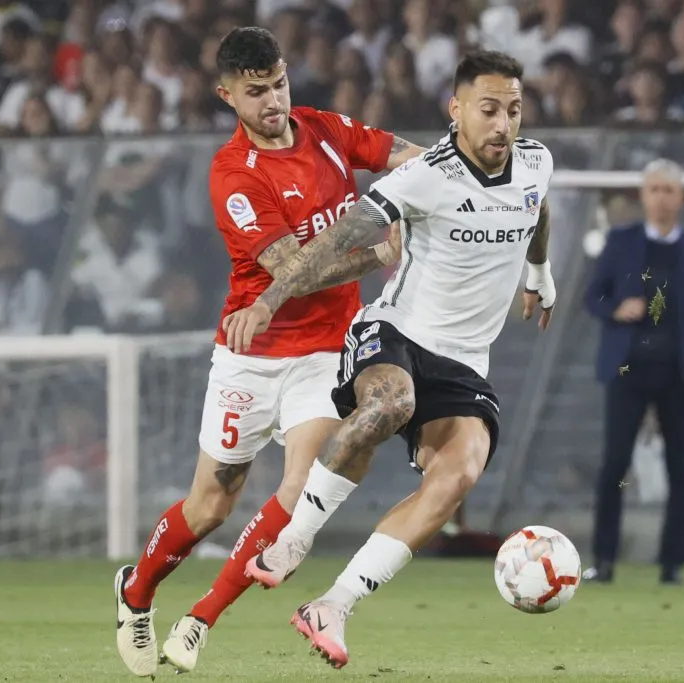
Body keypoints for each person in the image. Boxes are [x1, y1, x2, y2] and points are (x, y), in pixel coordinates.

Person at [225, 50, 557, 669]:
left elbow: (538, 207)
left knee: (459, 475)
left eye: (513, 110)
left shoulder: (536, 161)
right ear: (456, 110)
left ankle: (333, 605)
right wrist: (269, 300)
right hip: (395, 331)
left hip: (465, 362)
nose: (503, 124)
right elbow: (335, 240)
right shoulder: (425, 176)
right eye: (489, 110)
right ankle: (297, 536)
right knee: (389, 403)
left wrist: (539, 272)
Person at [112, 27, 422, 677]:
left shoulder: (326, 129)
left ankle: (201, 618)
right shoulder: (233, 175)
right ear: (227, 95)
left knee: (301, 488)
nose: (273, 100)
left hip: (326, 349)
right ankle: (135, 591)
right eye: (256, 92)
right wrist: (378, 252)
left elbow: (408, 158)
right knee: (210, 504)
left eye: (278, 84)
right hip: (251, 352)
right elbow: (295, 270)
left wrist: (459, 170)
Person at [584, 158, 684, 585]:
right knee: (615, 465)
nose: (661, 198)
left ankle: (672, 564)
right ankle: (604, 560)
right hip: (628, 367)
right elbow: (592, 297)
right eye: (654, 189)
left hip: (678, 371)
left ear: (681, 198)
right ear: (643, 196)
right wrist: (617, 308)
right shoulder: (620, 241)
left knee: (679, 468)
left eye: (669, 190)